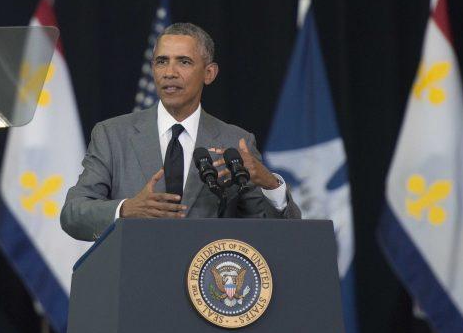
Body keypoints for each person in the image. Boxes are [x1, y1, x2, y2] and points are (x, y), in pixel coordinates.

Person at [61, 22, 300, 241]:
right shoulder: (112, 135)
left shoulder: (235, 142)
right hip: (133, 279)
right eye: (161, 61)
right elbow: (73, 214)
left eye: (183, 62)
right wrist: (126, 209)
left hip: (208, 282)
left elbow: (277, 233)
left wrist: (270, 184)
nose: (169, 72)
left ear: (209, 73)